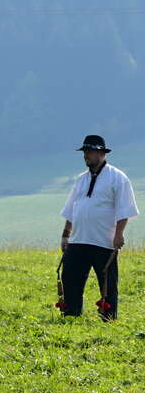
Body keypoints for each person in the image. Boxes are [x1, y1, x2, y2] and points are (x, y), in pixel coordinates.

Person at [59, 135, 138, 320]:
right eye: (85, 151)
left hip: (103, 241)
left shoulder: (118, 178)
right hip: (78, 240)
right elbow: (71, 209)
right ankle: (71, 315)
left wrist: (119, 235)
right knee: (70, 278)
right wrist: (65, 235)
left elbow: (124, 209)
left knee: (107, 282)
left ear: (101, 153)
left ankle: (108, 317)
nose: (86, 155)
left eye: (90, 151)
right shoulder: (80, 179)